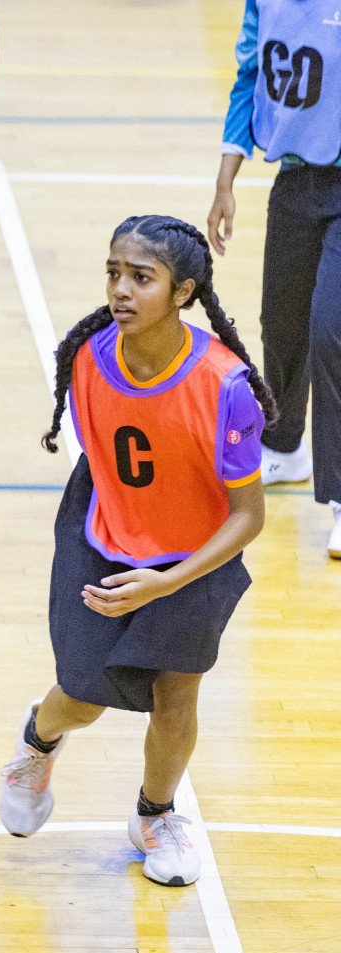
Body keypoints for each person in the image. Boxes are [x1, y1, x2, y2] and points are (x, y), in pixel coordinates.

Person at [0, 217, 274, 887]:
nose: (121, 290)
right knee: (84, 698)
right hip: (104, 541)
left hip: (197, 557)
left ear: (183, 292)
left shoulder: (227, 386)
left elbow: (249, 517)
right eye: (113, 273)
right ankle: (36, 742)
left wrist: (166, 579)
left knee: (177, 697)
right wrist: (129, 553)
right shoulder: (90, 358)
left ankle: (155, 815)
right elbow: (102, 462)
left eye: (140, 278)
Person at [208, 0, 341, 558]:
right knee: (280, 322)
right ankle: (285, 447)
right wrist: (225, 180)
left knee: (329, 332)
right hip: (294, 179)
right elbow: (248, 77)